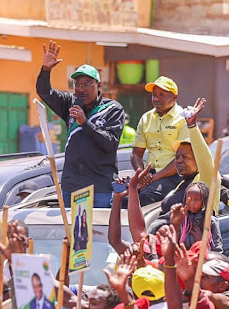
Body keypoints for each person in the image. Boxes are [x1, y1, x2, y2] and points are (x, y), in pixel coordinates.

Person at [37, 41, 125, 208]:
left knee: (99, 232)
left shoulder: (112, 109)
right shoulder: (70, 103)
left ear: (98, 85)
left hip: (100, 187)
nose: (81, 89)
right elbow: (45, 92)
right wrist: (46, 70)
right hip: (72, 186)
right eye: (77, 85)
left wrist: (84, 122)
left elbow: (110, 143)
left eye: (86, 85)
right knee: (73, 232)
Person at [131, 76, 191, 206]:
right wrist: (142, 174)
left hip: (175, 176)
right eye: (154, 95)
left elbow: (182, 159)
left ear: (175, 97)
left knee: (145, 198)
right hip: (149, 175)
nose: (156, 99)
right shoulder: (146, 118)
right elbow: (136, 153)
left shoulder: (183, 119)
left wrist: (150, 179)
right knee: (121, 197)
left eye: (162, 95)